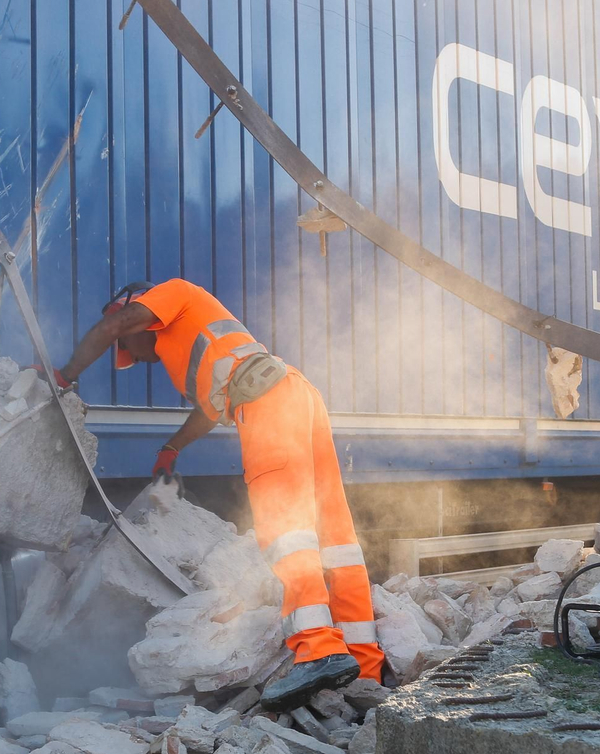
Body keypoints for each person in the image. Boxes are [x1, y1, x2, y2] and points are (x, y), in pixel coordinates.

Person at [47, 278, 386, 710]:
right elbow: (209, 411)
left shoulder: (172, 293)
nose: (140, 358)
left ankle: (319, 651)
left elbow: (113, 326)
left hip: (266, 405)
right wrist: (172, 448)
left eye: (130, 346)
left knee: (286, 532)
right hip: (294, 393)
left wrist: (63, 376)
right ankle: (365, 669)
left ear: (134, 314)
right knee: (334, 534)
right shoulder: (197, 340)